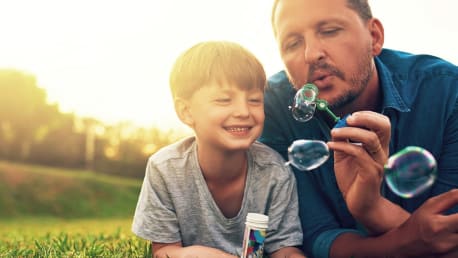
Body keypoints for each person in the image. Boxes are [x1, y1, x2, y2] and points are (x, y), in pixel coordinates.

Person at [259, 0, 458, 257]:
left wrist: (370, 208)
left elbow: (447, 238)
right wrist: (400, 236)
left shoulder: (447, 93)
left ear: (374, 37)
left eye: (329, 31)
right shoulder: (271, 106)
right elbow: (314, 235)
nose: (311, 54)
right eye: (292, 43)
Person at [131, 41, 306, 258]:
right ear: (186, 111)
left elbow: (283, 249)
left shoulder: (275, 172)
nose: (243, 111)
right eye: (224, 100)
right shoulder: (165, 169)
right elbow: (164, 252)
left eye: (254, 100)